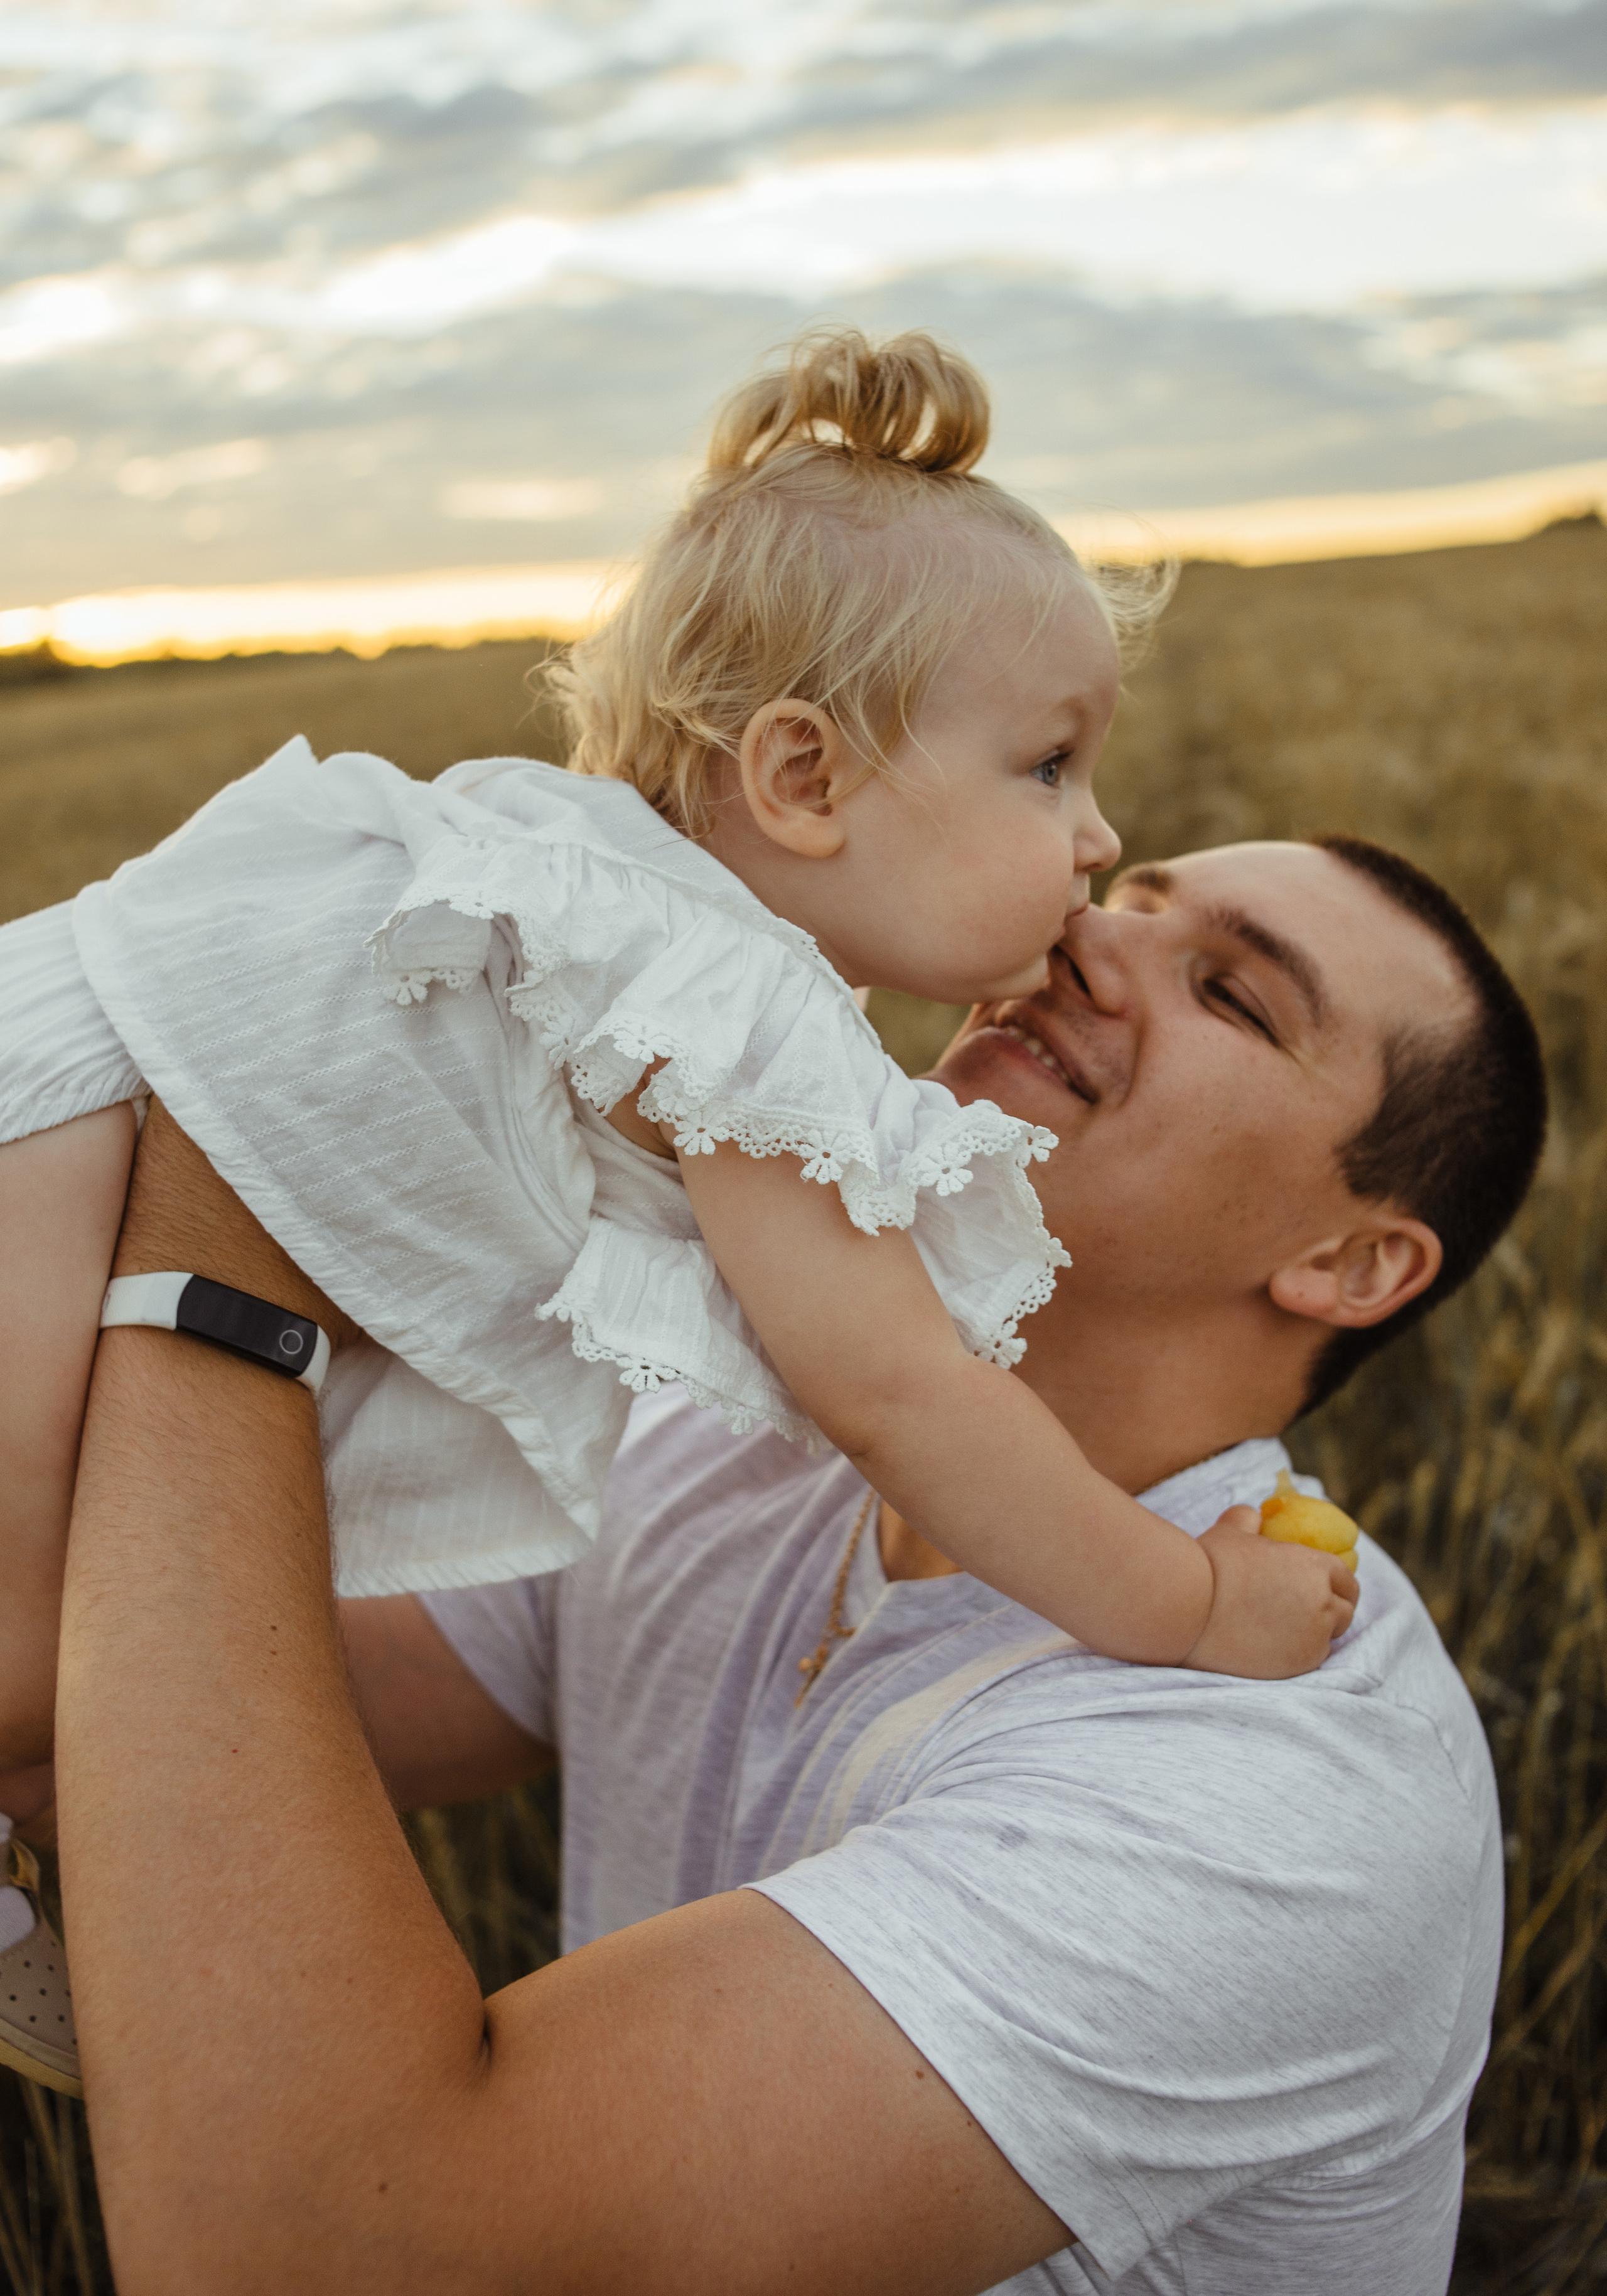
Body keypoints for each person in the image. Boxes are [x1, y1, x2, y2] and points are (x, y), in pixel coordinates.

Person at [29, 825, 1543, 2293]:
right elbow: (188, 1712)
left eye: (1229, 992)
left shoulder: (1275, 1789)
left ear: (1349, 1265)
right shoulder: (753, 1425)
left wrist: (224, 1247)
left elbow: (328, 2254)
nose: (1087, 937)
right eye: (1130, 900)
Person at [0, 325, 1355, 1923]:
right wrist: (1186, 1599)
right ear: (801, 775)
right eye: (1048, 767)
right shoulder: (739, 995)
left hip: (67, 1079)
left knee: (69, 1633)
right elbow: (899, 1394)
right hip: (70, 1120)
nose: (1097, 831)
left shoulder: (603, 885)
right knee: (33, 1665)